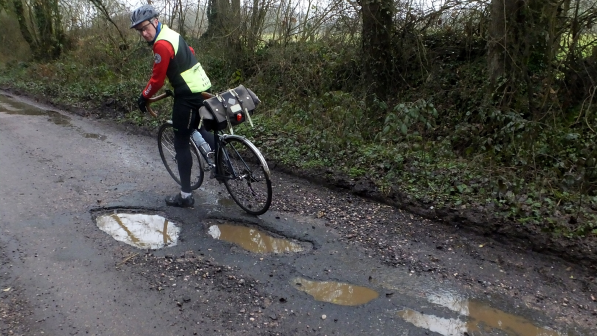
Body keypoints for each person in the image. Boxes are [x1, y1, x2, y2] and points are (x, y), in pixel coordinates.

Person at [131, 5, 215, 208]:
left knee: (181, 142)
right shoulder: (171, 34)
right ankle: (223, 164)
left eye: (146, 28)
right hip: (202, 86)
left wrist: (144, 97)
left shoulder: (161, 45)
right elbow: (189, 51)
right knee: (200, 127)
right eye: (140, 30)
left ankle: (186, 196)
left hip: (187, 95)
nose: (144, 33)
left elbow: (157, 80)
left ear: (155, 21)